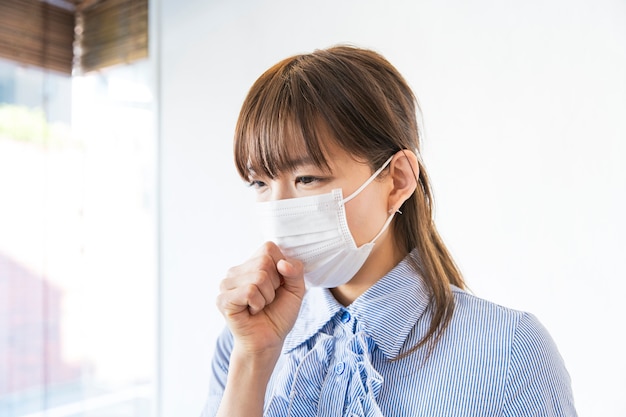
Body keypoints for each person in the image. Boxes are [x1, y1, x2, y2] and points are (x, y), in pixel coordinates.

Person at [200, 45, 577, 417]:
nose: (279, 208)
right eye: (260, 183)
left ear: (396, 180)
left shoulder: (509, 350)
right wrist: (253, 360)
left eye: (307, 178)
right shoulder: (242, 344)